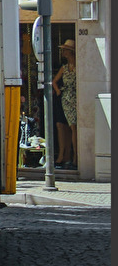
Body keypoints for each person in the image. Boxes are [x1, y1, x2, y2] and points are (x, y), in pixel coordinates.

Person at [52, 40, 77, 170]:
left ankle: (75, 157)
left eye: (65, 50)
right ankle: (68, 156)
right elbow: (54, 81)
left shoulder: (78, 67)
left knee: (74, 128)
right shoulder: (64, 68)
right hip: (66, 98)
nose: (63, 52)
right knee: (68, 126)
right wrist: (58, 92)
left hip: (76, 98)